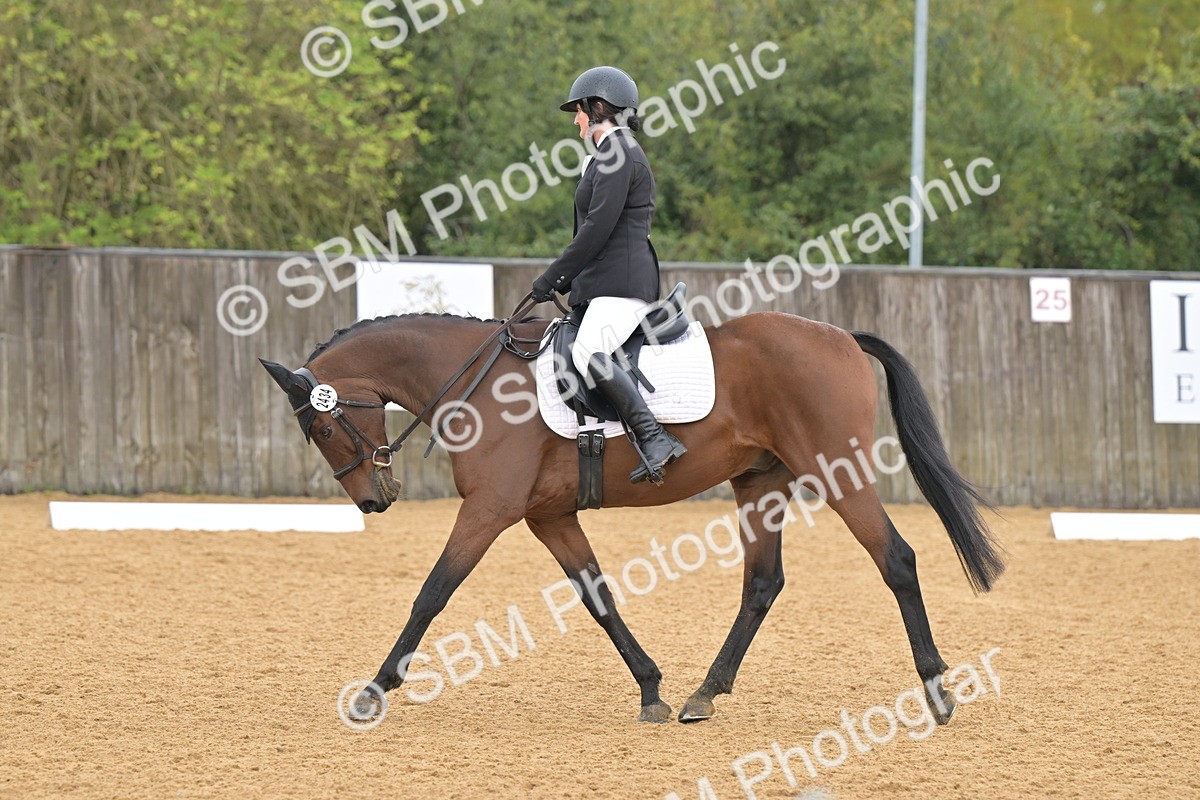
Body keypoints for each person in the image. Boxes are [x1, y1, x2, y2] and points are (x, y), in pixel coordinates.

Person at [531, 65, 687, 484]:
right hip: (602, 284)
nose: (576, 119)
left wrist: (552, 277)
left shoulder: (621, 154)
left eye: (578, 111)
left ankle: (655, 438)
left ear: (597, 107)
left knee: (587, 353)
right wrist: (568, 279)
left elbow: (598, 228)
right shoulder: (601, 157)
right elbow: (589, 230)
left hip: (622, 284)